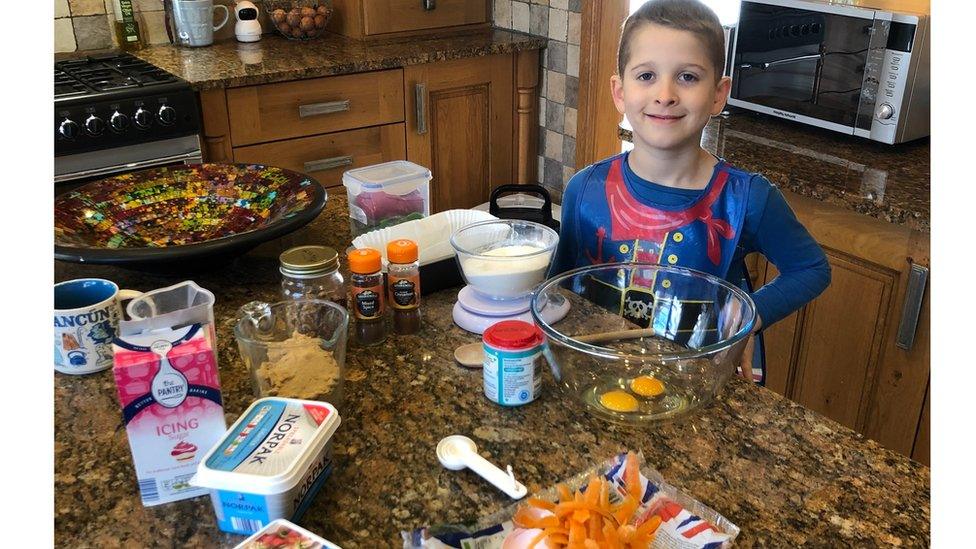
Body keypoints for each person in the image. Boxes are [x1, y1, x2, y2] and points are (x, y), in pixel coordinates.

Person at [550, 0, 831, 385]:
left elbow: (812, 268)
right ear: (619, 92)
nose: (665, 94)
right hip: (603, 380)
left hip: (701, 384)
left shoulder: (747, 197)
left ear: (718, 93)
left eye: (687, 77)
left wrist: (749, 317)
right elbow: (560, 291)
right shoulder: (585, 189)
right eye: (646, 76)